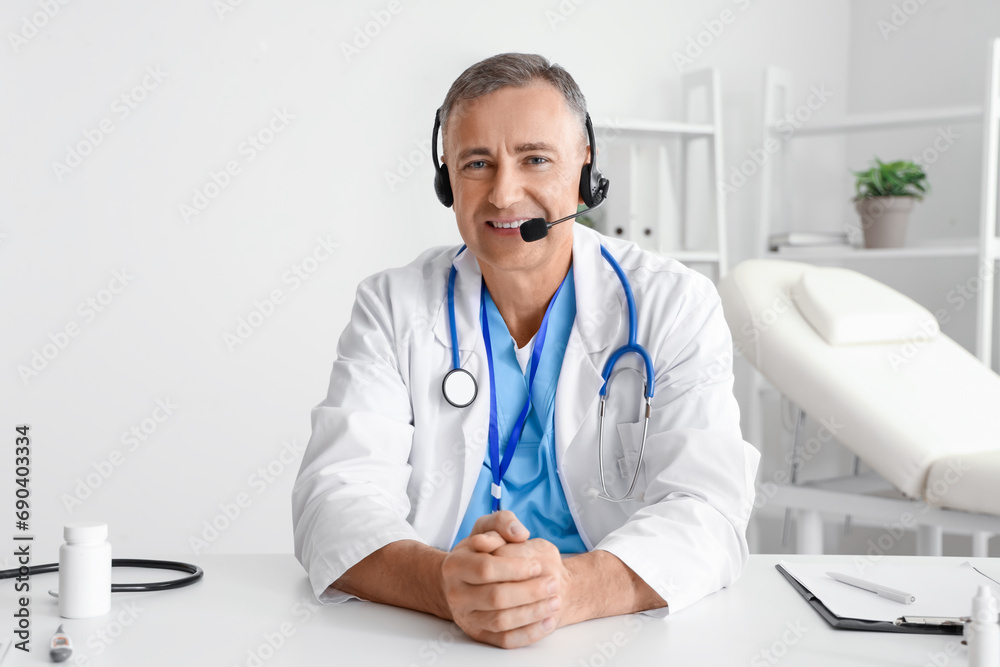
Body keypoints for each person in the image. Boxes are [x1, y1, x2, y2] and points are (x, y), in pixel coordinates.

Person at [292, 52, 759, 649]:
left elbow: (711, 510)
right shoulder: (392, 305)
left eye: (535, 159)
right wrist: (446, 586)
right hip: (423, 636)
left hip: (616, 638)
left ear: (585, 168)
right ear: (446, 182)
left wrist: (564, 589)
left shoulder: (674, 303)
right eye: (476, 163)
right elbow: (332, 500)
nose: (504, 194)